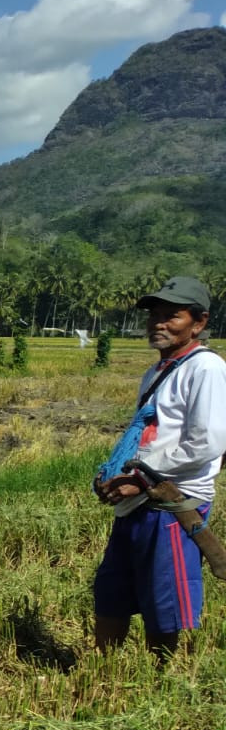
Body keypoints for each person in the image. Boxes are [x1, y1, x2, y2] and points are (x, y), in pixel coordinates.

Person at [93, 275, 226, 658]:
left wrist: (141, 477)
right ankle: (103, 670)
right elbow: (149, 434)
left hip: (171, 503)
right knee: (111, 592)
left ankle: (160, 674)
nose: (159, 323)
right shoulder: (156, 372)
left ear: (198, 323)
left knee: (162, 601)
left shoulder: (206, 369)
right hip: (136, 500)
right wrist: (115, 474)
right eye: (154, 315)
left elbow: (207, 442)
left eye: (172, 316)